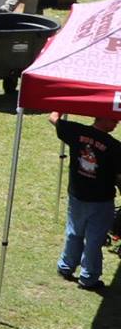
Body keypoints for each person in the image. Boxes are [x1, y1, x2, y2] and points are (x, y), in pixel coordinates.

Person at [51, 111, 119, 290]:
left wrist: (63, 105)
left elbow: (53, 118)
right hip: (101, 201)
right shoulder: (114, 147)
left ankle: (66, 266)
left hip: (77, 195)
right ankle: (88, 278)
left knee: (74, 232)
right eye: (113, 119)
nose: (117, 122)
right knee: (94, 239)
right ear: (101, 117)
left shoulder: (75, 131)